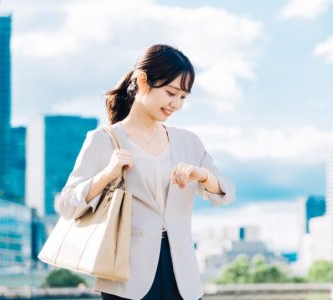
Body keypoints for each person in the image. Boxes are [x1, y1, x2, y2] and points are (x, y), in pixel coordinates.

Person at [54, 44, 236, 300]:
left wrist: (203, 176)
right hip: (126, 275)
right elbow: (67, 205)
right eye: (171, 93)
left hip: (183, 276)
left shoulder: (189, 142)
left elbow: (226, 193)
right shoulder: (104, 140)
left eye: (183, 97)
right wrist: (106, 174)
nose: (176, 104)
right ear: (142, 81)